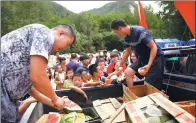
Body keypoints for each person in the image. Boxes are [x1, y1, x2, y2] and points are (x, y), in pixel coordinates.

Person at [1, 23, 76, 122]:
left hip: (7, 99)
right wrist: (56, 98)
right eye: (67, 43)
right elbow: (38, 77)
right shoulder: (44, 33)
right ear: (61, 33)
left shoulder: (35, 50)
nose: (65, 47)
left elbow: (32, 90)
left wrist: (53, 102)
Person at [111, 18, 165, 90]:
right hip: (142, 58)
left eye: (116, 32)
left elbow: (154, 47)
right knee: (128, 72)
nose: (117, 34)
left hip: (155, 58)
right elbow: (127, 52)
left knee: (148, 85)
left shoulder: (139, 31)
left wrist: (149, 65)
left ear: (120, 28)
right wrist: (120, 63)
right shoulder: (126, 38)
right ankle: (133, 94)